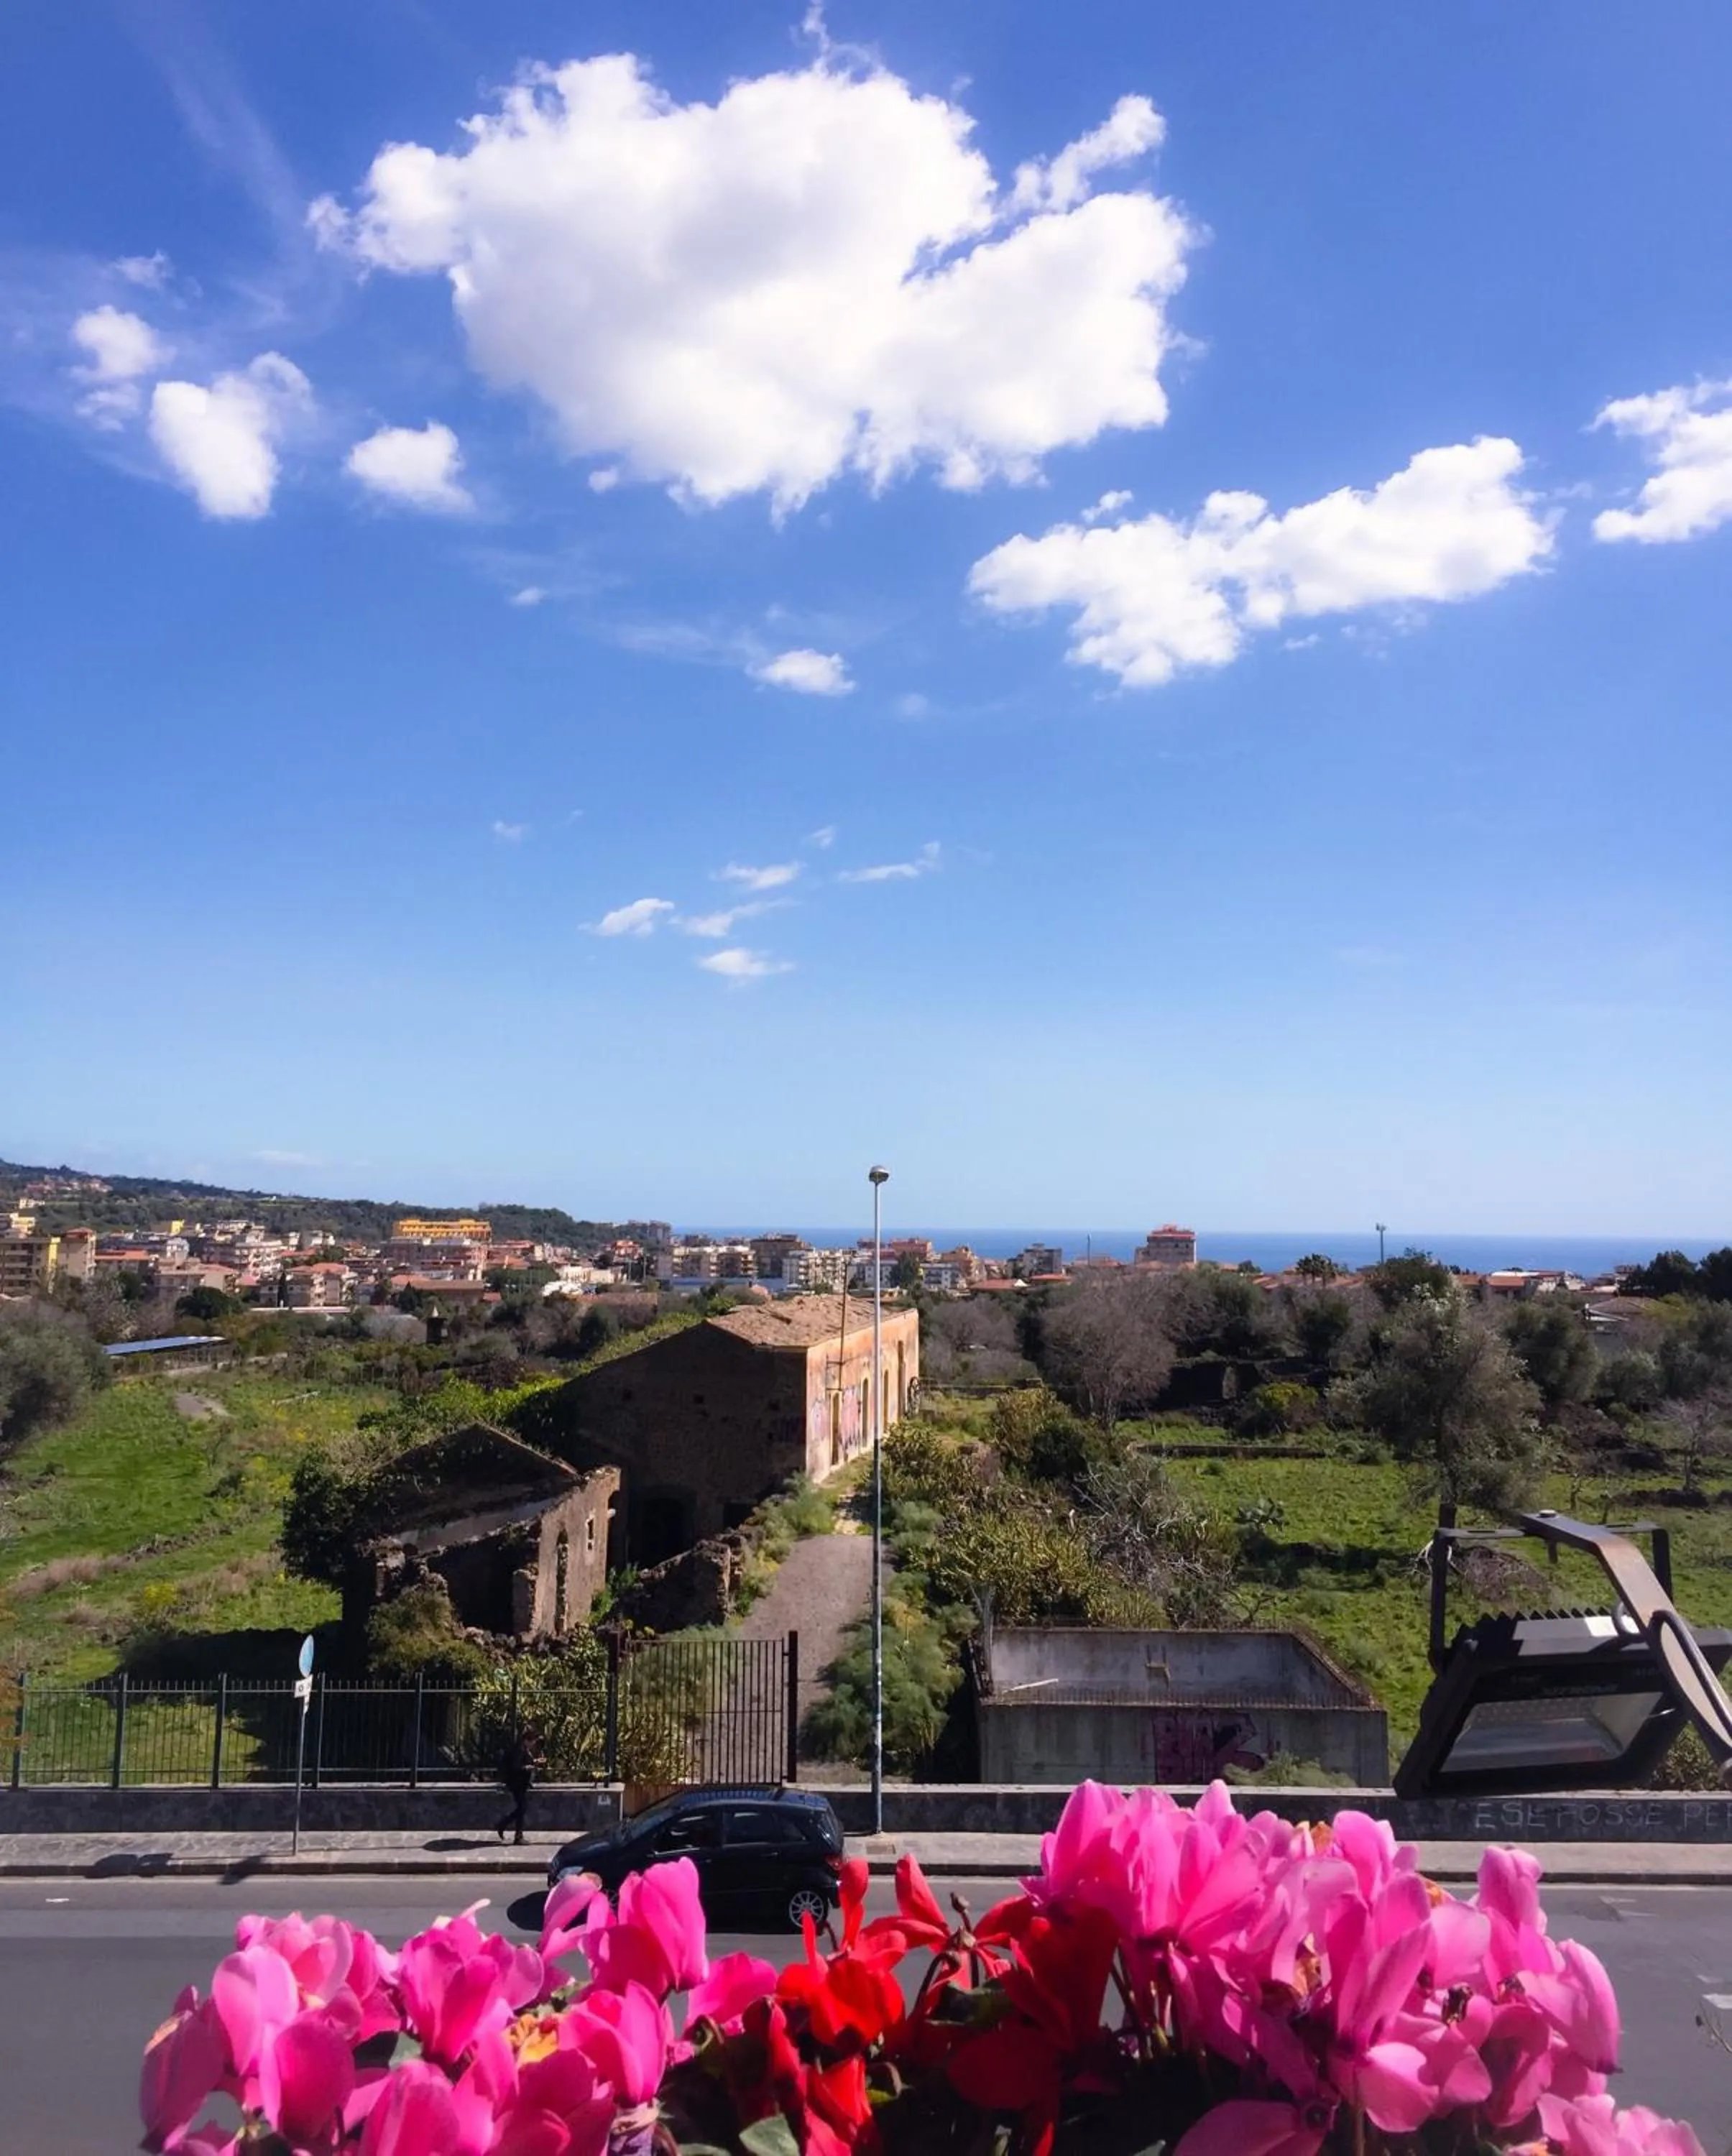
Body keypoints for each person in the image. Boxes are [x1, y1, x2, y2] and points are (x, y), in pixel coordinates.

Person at [494, 1728, 538, 1845]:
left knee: (522, 1808)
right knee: (522, 1808)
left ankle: (513, 1831)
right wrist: (528, 1768)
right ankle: (507, 1827)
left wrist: (535, 1762)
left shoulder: (522, 1748)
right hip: (517, 1783)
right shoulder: (520, 1749)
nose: (534, 1743)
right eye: (533, 1741)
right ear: (527, 1740)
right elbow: (517, 1767)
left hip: (520, 1783)